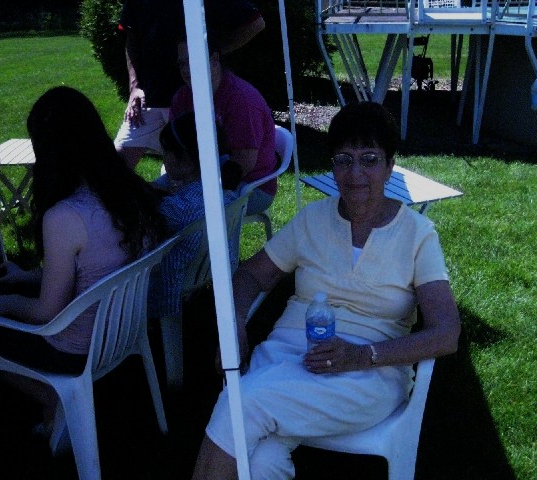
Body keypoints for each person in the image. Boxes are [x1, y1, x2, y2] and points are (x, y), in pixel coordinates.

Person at [191, 102, 461, 480]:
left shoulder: (417, 235)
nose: (355, 173)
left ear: (389, 166)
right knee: (262, 458)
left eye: (369, 159)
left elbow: (446, 333)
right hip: (286, 355)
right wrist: (235, 320)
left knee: (243, 403)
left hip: (368, 372)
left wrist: (362, 355)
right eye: (343, 160)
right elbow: (250, 275)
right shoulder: (313, 219)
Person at [0, 86, 167, 431]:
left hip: (75, 349)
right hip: (122, 331)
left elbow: (46, 313)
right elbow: (93, 270)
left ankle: (51, 398)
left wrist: (1, 303)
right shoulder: (130, 192)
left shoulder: (66, 216)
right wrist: (24, 277)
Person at [114, 0, 265, 169]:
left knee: (183, 169)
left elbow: (255, 23)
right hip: (150, 97)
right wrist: (134, 86)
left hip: (193, 97)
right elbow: (131, 36)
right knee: (117, 163)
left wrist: (208, 53)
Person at [170, 38, 276, 216]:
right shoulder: (182, 97)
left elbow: (242, 164)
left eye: (192, 61)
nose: (186, 70)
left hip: (249, 186)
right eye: (182, 64)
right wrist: (176, 181)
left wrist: (190, 187)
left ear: (214, 60)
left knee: (182, 213)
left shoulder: (241, 100)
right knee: (148, 199)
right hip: (194, 176)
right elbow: (171, 148)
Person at [150, 111, 237, 317]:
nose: (163, 159)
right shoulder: (221, 191)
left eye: (166, 153)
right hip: (200, 273)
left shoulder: (176, 209)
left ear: (186, 162)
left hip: (168, 288)